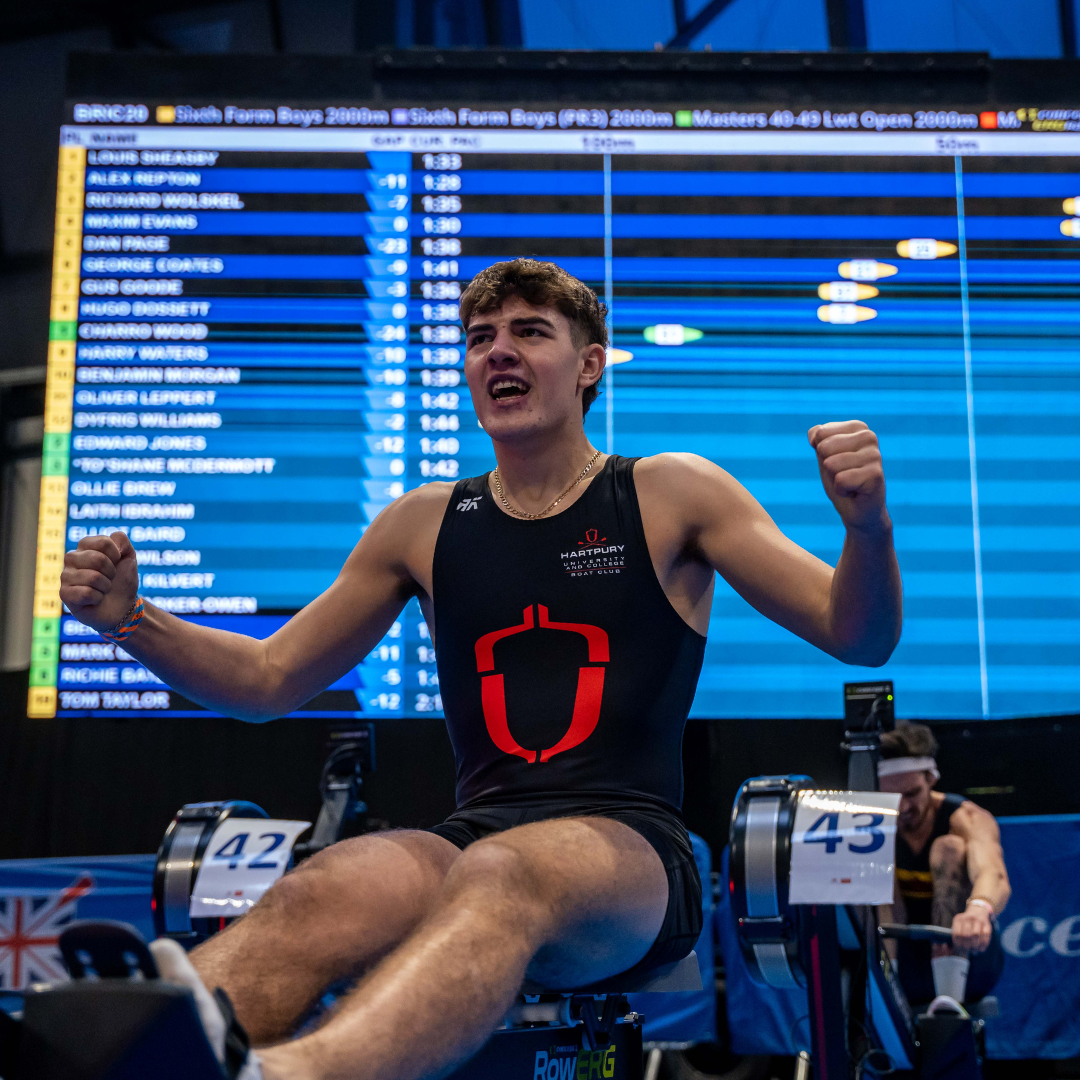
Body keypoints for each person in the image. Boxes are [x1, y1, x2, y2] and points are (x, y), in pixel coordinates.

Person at [59, 258, 903, 1080]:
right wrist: (132, 620)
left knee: (500, 873)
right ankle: (139, 1057)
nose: (497, 351)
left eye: (530, 332)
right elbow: (266, 679)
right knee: (332, 882)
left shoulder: (670, 491)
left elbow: (855, 634)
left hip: (636, 853)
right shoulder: (422, 522)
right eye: (480, 337)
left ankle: (286, 1075)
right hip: (476, 839)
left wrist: (866, 530)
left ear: (590, 366)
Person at [878, 722, 1010, 1006]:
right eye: (890, 797)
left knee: (948, 848)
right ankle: (886, 996)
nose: (902, 808)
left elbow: (993, 873)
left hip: (966, 953)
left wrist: (978, 909)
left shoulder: (967, 818)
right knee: (872, 851)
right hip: (899, 957)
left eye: (911, 794)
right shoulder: (871, 821)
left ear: (931, 778)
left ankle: (948, 1006)